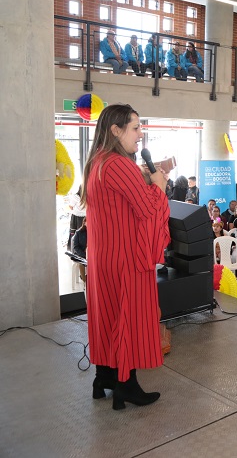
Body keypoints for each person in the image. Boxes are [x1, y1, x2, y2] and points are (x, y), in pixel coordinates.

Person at [82, 104, 170, 410]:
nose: (140, 134)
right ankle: (126, 384)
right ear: (115, 131)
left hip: (104, 256)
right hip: (125, 258)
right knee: (128, 318)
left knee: (108, 316)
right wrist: (159, 186)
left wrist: (143, 182)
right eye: (135, 128)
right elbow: (147, 209)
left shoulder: (98, 161)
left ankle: (104, 376)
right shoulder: (119, 165)